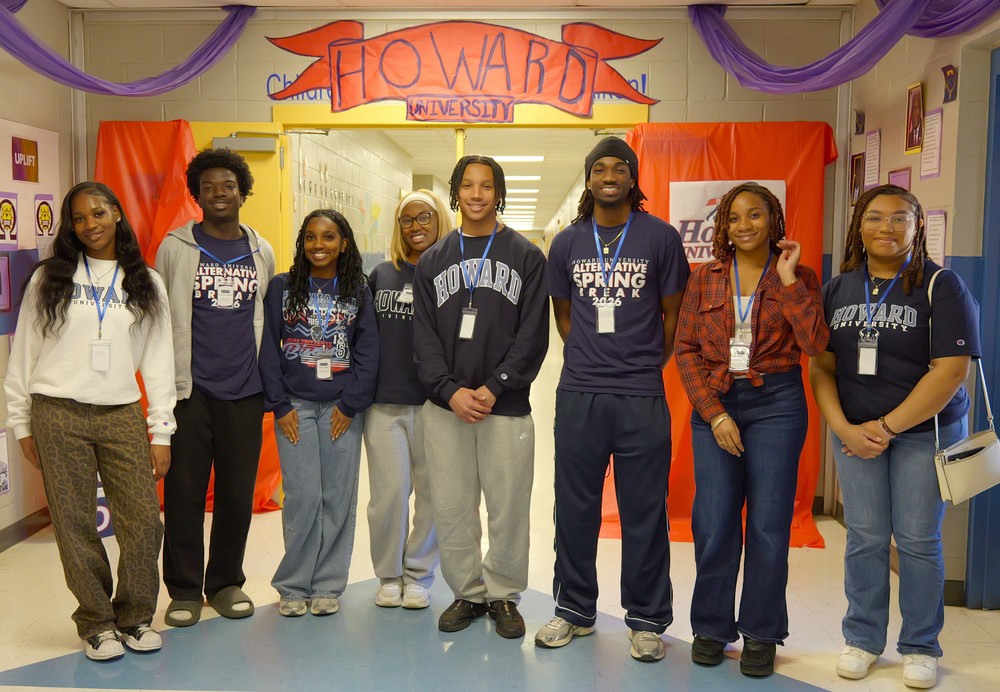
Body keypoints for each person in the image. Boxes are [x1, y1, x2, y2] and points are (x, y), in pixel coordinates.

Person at [810, 184, 980, 690]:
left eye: (899, 218)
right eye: (875, 217)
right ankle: (862, 639)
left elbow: (951, 371)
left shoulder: (941, 285)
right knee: (863, 537)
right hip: (855, 434)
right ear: (858, 226)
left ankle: (921, 647)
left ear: (917, 225)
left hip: (923, 433)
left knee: (917, 540)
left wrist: (885, 429)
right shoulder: (837, 289)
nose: (886, 227)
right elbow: (822, 367)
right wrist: (844, 427)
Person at [5, 182, 176, 660]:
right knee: (75, 524)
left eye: (98, 213)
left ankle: (135, 616)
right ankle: (97, 623)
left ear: (117, 213)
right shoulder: (49, 278)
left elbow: (159, 361)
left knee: (144, 523)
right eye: (79, 218)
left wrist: (161, 430)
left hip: (122, 412)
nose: (89, 225)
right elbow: (24, 353)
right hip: (57, 412)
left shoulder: (146, 281)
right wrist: (21, 422)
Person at [535, 137, 688, 662]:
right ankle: (574, 610)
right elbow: (563, 316)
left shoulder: (660, 237)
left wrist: (643, 363)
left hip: (641, 394)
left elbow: (672, 314)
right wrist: (589, 356)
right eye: (598, 168)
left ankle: (646, 620)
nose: (608, 176)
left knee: (644, 510)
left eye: (618, 168)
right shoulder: (566, 243)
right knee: (574, 507)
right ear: (588, 178)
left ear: (632, 177)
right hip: (580, 392)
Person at [674, 182, 829, 676]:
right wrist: (714, 414)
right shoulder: (704, 278)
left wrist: (787, 281)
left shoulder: (799, 275)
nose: (745, 225)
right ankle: (711, 626)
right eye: (735, 217)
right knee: (714, 520)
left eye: (755, 215)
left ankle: (762, 632)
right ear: (723, 225)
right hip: (716, 401)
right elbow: (685, 351)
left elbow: (815, 344)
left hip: (777, 403)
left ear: (773, 220)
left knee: (768, 523)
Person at [413, 155, 549, 639]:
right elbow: (423, 339)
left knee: (508, 507)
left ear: (498, 192)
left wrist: (495, 385)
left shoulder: (527, 256)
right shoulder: (433, 260)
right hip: (446, 409)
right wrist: (450, 392)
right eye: (467, 185)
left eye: (486, 186)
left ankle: (503, 594)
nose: (476, 194)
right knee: (452, 507)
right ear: (456, 192)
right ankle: (468, 593)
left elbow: (533, 334)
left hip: (505, 407)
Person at [156, 148, 276, 627]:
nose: (219, 194)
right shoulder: (175, 247)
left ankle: (225, 583)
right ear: (197, 195)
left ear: (242, 192)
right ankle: (184, 590)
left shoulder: (261, 250)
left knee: (236, 495)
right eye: (208, 187)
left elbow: (266, 316)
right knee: (183, 494)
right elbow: (160, 319)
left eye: (228, 186)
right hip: (190, 393)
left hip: (245, 391)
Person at [260, 209, 378, 617]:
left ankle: (327, 584)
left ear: (343, 244)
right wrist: (279, 405)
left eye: (328, 237)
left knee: (337, 497)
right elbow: (268, 348)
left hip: (342, 409)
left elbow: (368, 351)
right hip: (295, 407)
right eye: (310, 237)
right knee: (303, 497)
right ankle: (294, 585)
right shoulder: (282, 287)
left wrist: (351, 404)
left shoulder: (357, 290)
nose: (318, 245)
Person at [364, 190, 450, 609]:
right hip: (384, 403)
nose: (416, 227)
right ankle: (389, 574)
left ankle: (418, 574)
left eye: (424, 218)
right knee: (388, 496)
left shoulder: (452, 274)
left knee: (432, 496)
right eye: (407, 220)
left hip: (436, 405)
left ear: (440, 220)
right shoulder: (381, 274)